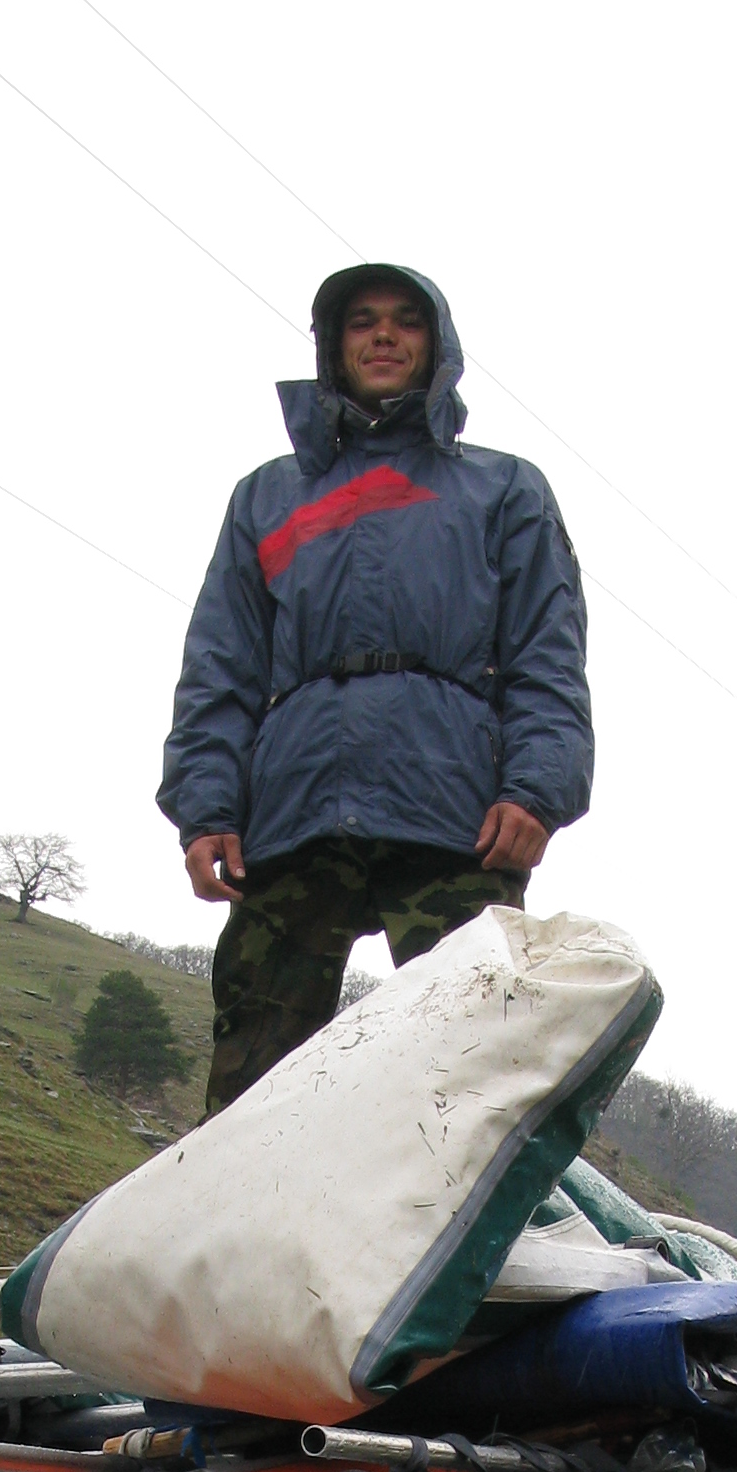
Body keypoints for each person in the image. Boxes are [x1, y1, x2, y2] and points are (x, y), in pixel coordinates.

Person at [160, 263, 593, 1116]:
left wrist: (538, 792)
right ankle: (247, 1202)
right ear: (334, 346)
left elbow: (548, 653)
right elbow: (222, 661)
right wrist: (206, 807)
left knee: (475, 1059)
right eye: (362, 321)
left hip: (454, 813)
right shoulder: (266, 496)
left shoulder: (505, 488)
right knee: (254, 1070)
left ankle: (476, 1203)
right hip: (294, 810)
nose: (384, 335)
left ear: (438, 345)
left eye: (405, 320)